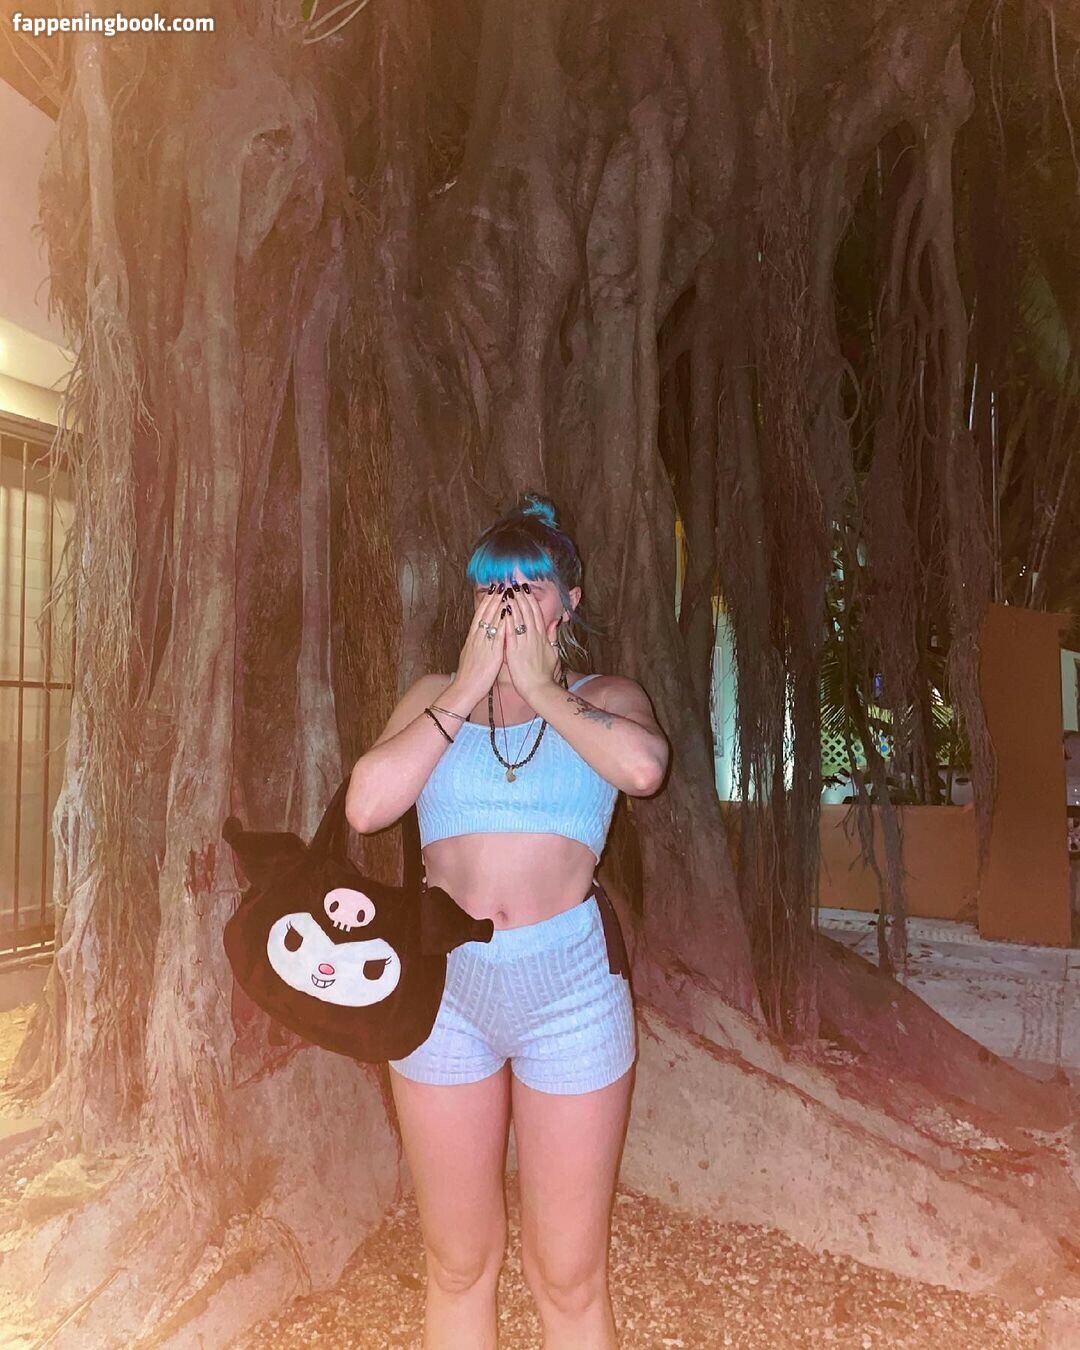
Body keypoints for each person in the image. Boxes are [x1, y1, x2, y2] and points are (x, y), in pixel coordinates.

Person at [345, 492, 669, 1350]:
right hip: (444, 995)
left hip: (571, 995)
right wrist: (466, 687)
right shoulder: (434, 697)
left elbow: (643, 769)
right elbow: (367, 806)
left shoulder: (606, 698)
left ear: (570, 604)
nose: (511, 603)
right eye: (495, 587)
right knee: (457, 1263)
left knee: (568, 1275)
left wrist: (540, 690)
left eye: (532, 586)